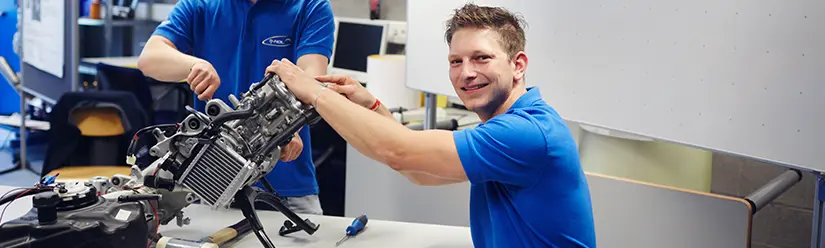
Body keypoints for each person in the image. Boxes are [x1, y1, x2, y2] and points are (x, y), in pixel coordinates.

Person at [264, 3, 597, 247]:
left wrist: (313, 90)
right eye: (456, 61)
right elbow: (420, 172)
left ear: (518, 64)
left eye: (482, 58)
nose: (466, 72)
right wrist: (373, 105)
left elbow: (399, 152)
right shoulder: (510, 123)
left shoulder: (525, 134)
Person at [136, 0, 336, 215]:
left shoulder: (309, 6)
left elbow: (312, 79)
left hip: (287, 185)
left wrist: (288, 128)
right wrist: (194, 66)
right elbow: (150, 58)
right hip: (212, 183)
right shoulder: (200, 5)